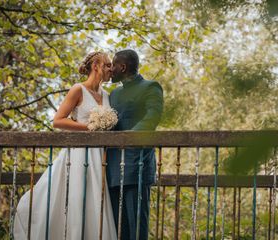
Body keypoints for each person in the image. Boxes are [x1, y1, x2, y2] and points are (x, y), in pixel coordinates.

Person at [13, 51, 117, 239]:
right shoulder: (78, 90)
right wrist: (90, 127)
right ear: (96, 66)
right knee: (77, 198)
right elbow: (58, 121)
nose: (112, 69)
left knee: (97, 201)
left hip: (100, 156)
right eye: (108, 65)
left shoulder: (107, 95)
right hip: (78, 155)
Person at [107, 49, 164, 240]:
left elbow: (152, 117)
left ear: (122, 67)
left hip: (137, 165)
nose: (111, 70)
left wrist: (128, 138)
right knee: (117, 228)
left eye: (113, 65)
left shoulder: (151, 87)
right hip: (112, 168)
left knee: (137, 226)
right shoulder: (113, 94)